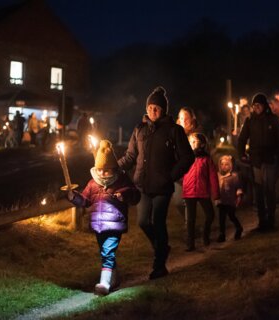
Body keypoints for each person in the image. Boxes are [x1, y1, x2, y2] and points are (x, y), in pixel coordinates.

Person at [117, 86, 194, 279]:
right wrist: (112, 167)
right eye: (150, 107)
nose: (153, 111)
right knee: (143, 222)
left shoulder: (174, 130)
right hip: (142, 185)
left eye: (156, 108)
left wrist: (171, 175)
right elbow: (130, 156)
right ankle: (162, 247)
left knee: (158, 222)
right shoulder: (139, 129)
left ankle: (159, 265)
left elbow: (187, 157)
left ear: (163, 110)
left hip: (162, 187)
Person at [67, 139, 141, 295]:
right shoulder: (92, 183)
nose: (102, 174)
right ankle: (114, 278)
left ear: (114, 169)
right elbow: (86, 201)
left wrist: (125, 195)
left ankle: (104, 283)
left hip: (115, 225)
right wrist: (74, 197)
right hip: (98, 226)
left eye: (106, 170)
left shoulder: (122, 180)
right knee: (106, 253)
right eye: (99, 170)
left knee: (107, 252)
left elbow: (135, 195)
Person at [237, 93, 279, 232]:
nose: (256, 108)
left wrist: (277, 155)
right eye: (254, 106)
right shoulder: (250, 121)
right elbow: (242, 139)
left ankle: (271, 218)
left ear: (264, 105)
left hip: (270, 161)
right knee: (259, 191)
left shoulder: (274, 120)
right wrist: (241, 153)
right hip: (256, 161)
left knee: (270, 190)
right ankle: (261, 219)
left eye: (258, 105)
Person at [182, 133, 220, 251]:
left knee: (210, 215)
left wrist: (216, 195)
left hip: (203, 192)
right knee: (190, 220)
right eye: (190, 142)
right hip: (189, 192)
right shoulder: (186, 157)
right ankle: (190, 244)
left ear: (202, 144)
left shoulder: (206, 159)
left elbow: (213, 177)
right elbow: (179, 170)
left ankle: (205, 235)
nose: (191, 144)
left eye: (194, 142)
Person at [215, 155, 243, 242]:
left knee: (231, 216)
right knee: (221, 218)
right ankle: (222, 234)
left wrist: (239, 196)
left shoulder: (234, 176)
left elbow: (238, 187)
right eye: (222, 164)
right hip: (221, 200)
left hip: (230, 200)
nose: (224, 166)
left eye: (226, 164)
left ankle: (239, 228)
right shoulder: (218, 176)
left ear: (230, 165)